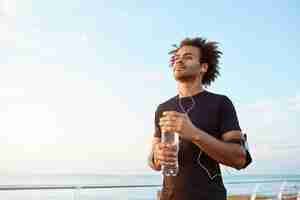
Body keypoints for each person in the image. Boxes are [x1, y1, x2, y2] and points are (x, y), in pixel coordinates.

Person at [148, 37, 252, 200]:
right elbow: (153, 162)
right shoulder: (162, 108)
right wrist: (157, 155)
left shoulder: (221, 103)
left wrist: (194, 134)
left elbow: (240, 158)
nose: (179, 61)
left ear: (203, 67)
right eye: (177, 58)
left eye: (188, 57)